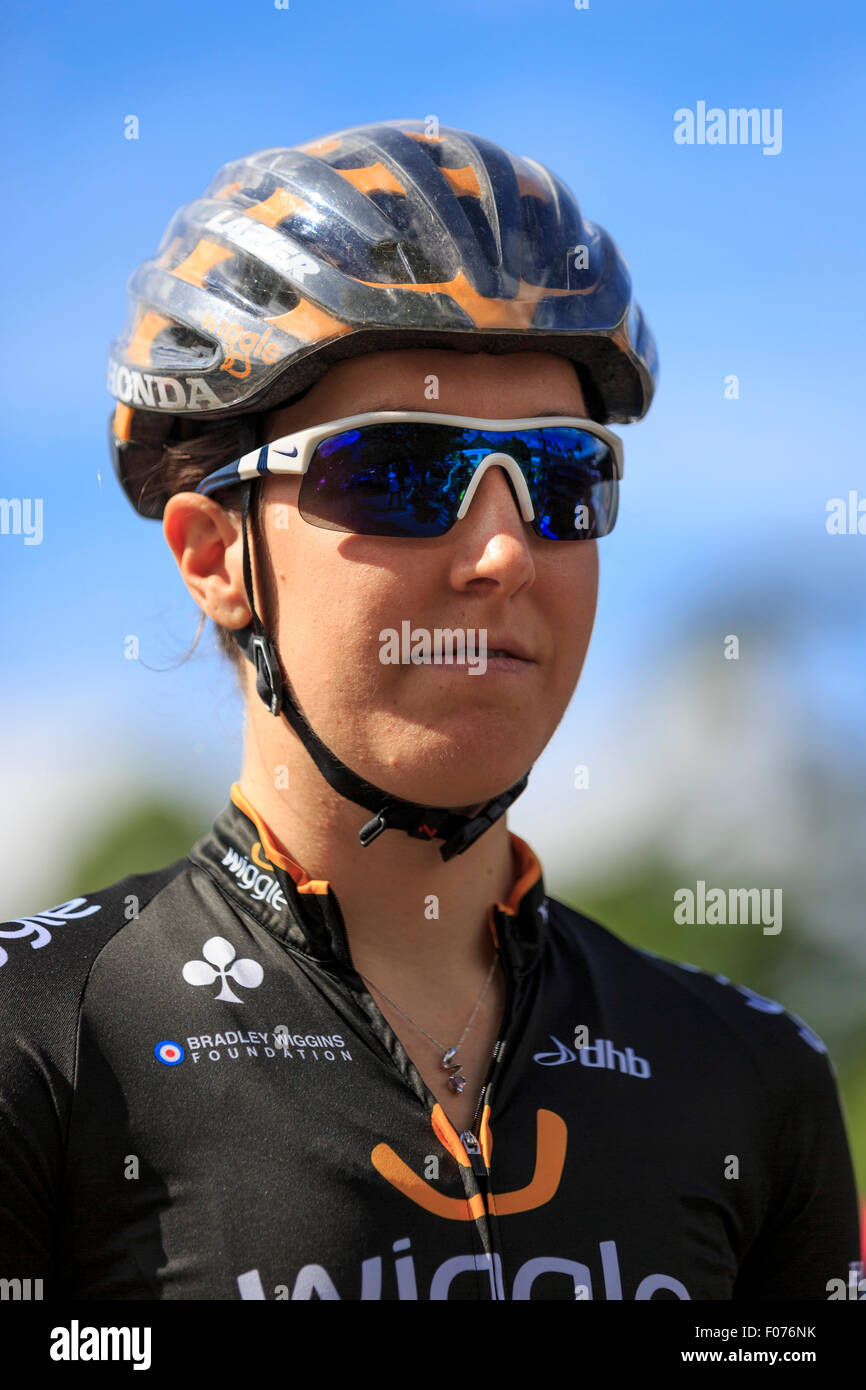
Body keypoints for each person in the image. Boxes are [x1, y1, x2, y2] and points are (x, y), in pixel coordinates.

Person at [0, 119, 860, 1302]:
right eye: (401, 471)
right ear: (214, 555)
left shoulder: (752, 1076)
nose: (503, 548)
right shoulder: (38, 1045)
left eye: (561, 480)